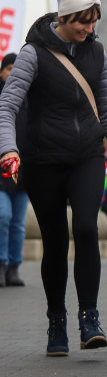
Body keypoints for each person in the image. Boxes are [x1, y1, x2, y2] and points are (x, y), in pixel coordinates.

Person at [0, 0, 107, 356]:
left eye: (94, 21)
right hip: (42, 161)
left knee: (85, 228)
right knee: (54, 241)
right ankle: (56, 321)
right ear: (65, 18)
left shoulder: (96, 53)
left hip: (86, 155)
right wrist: (8, 149)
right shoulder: (33, 53)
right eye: (84, 21)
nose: (90, 28)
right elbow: (7, 106)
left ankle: (89, 318)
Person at [0, 53, 28, 287]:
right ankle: (1, 263)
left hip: (24, 175)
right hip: (1, 174)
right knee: (3, 216)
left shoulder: (31, 100)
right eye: (9, 68)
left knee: (18, 223)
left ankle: (13, 268)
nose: (12, 73)